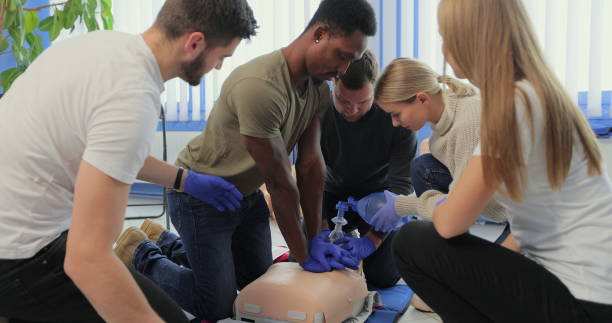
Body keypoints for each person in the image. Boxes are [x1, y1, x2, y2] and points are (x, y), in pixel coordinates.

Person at [113, 0, 377, 321]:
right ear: (320, 34)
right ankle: (139, 251)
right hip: (200, 197)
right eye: (343, 56)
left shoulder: (317, 90)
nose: (344, 70)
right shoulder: (261, 87)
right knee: (217, 305)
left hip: (245, 196)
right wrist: (305, 253)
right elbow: (280, 181)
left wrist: (316, 233)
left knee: (256, 285)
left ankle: (164, 239)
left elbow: (309, 167)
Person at [0, 0, 257, 322]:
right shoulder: (133, 95)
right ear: (194, 43)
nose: (219, 67)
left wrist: (184, 180)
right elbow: (87, 260)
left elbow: (106, 152)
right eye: (222, 57)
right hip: (19, 258)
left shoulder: (105, 45)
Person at [391, 0, 612, 321]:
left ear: (471, 38)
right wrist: (482, 275)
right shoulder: (536, 94)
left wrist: (411, 204)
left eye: (446, 36)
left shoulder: (512, 105)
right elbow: (530, 227)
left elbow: (451, 223)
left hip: (583, 300)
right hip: (596, 291)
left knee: (410, 242)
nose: (444, 48)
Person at [319, 50, 417, 288]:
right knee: (313, 262)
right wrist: (319, 227)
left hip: (379, 202)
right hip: (330, 195)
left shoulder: (397, 117)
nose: (352, 109)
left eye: (362, 102)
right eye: (343, 100)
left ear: (376, 88)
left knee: (383, 277)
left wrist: (372, 241)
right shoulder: (318, 110)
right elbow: (308, 173)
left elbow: (401, 184)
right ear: (333, 82)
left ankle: (406, 232)